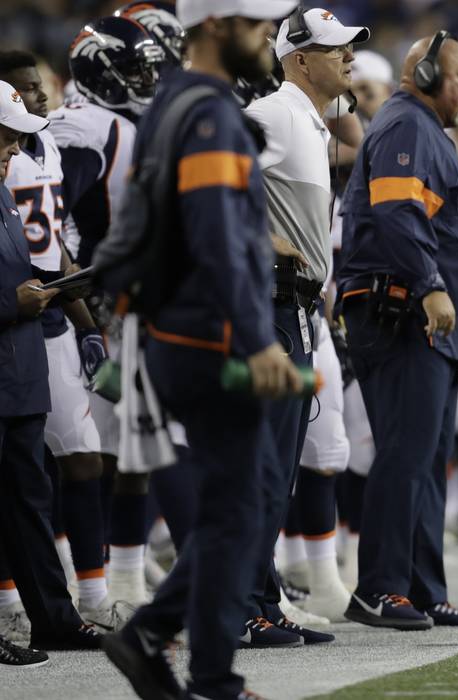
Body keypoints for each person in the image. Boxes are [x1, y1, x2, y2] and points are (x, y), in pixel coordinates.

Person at [100, 1, 306, 697]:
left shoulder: (169, 102)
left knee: (232, 508)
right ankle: (205, 671)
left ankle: (163, 643)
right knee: (241, 512)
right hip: (209, 334)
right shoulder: (212, 112)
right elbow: (218, 237)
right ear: (216, 26)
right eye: (258, 26)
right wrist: (257, 343)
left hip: (169, 329)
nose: (270, 38)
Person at [336, 31, 458, 630]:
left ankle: (424, 587)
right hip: (399, 311)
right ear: (427, 76)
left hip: (420, 314)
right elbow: (397, 211)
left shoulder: (424, 130)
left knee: (428, 454)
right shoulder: (406, 125)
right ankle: (378, 588)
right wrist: (430, 285)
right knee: (405, 451)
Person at [240, 5, 369, 641]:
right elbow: (201, 187)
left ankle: (260, 601)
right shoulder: (272, 113)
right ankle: (242, 606)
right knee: (263, 465)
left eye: (349, 47)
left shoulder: (308, 122)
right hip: (268, 306)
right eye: (335, 49)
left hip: (295, 306)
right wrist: (266, 240)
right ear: (298, 59)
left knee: (280, 468)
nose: (348, 57)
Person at [50, 15, 172, 627]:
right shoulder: (85, 125)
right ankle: (85, 583)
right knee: (86, 450)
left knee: (128, 451)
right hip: (91, 311)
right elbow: (56, 219)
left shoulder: (121, 122)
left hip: (125, 309)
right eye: (135, 69)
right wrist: (82, 296)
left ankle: (116, 579)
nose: (147, 80)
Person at [0, 78, 102, 654]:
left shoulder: (5, 196)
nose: (14, 150)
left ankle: (54, 618)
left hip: (19, 371)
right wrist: (12, 303)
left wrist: (63, 297)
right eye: (6, 138)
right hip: (8, 357)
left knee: (29, 502)